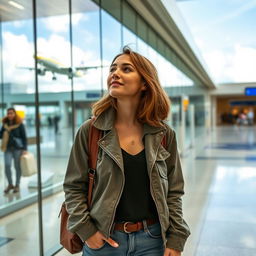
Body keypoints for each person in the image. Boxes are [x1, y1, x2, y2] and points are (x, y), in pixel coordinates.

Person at [63, 46, 190, 256]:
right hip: (103, 241)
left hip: (153, 240)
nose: (115, 73)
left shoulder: (164, 134)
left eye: (126, 69)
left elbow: (174, 192)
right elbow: (73, 186)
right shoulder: (91, 131)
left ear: (144, 83)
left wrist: (176, 238)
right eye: (113, 68)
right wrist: (87, 232)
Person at [0, 108, 27, 193]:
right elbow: (0, 136)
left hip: (17, 149)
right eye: (8, 113)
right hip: (7, 148)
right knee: (7, 166)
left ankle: (17, 185)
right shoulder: (4, 124)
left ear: (14, 114)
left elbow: (24, 137)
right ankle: (10, 184)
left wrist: (24, 149)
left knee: (17, 167)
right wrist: (4, 133)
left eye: (11, 113)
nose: (10, 115)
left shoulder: (19, 124)